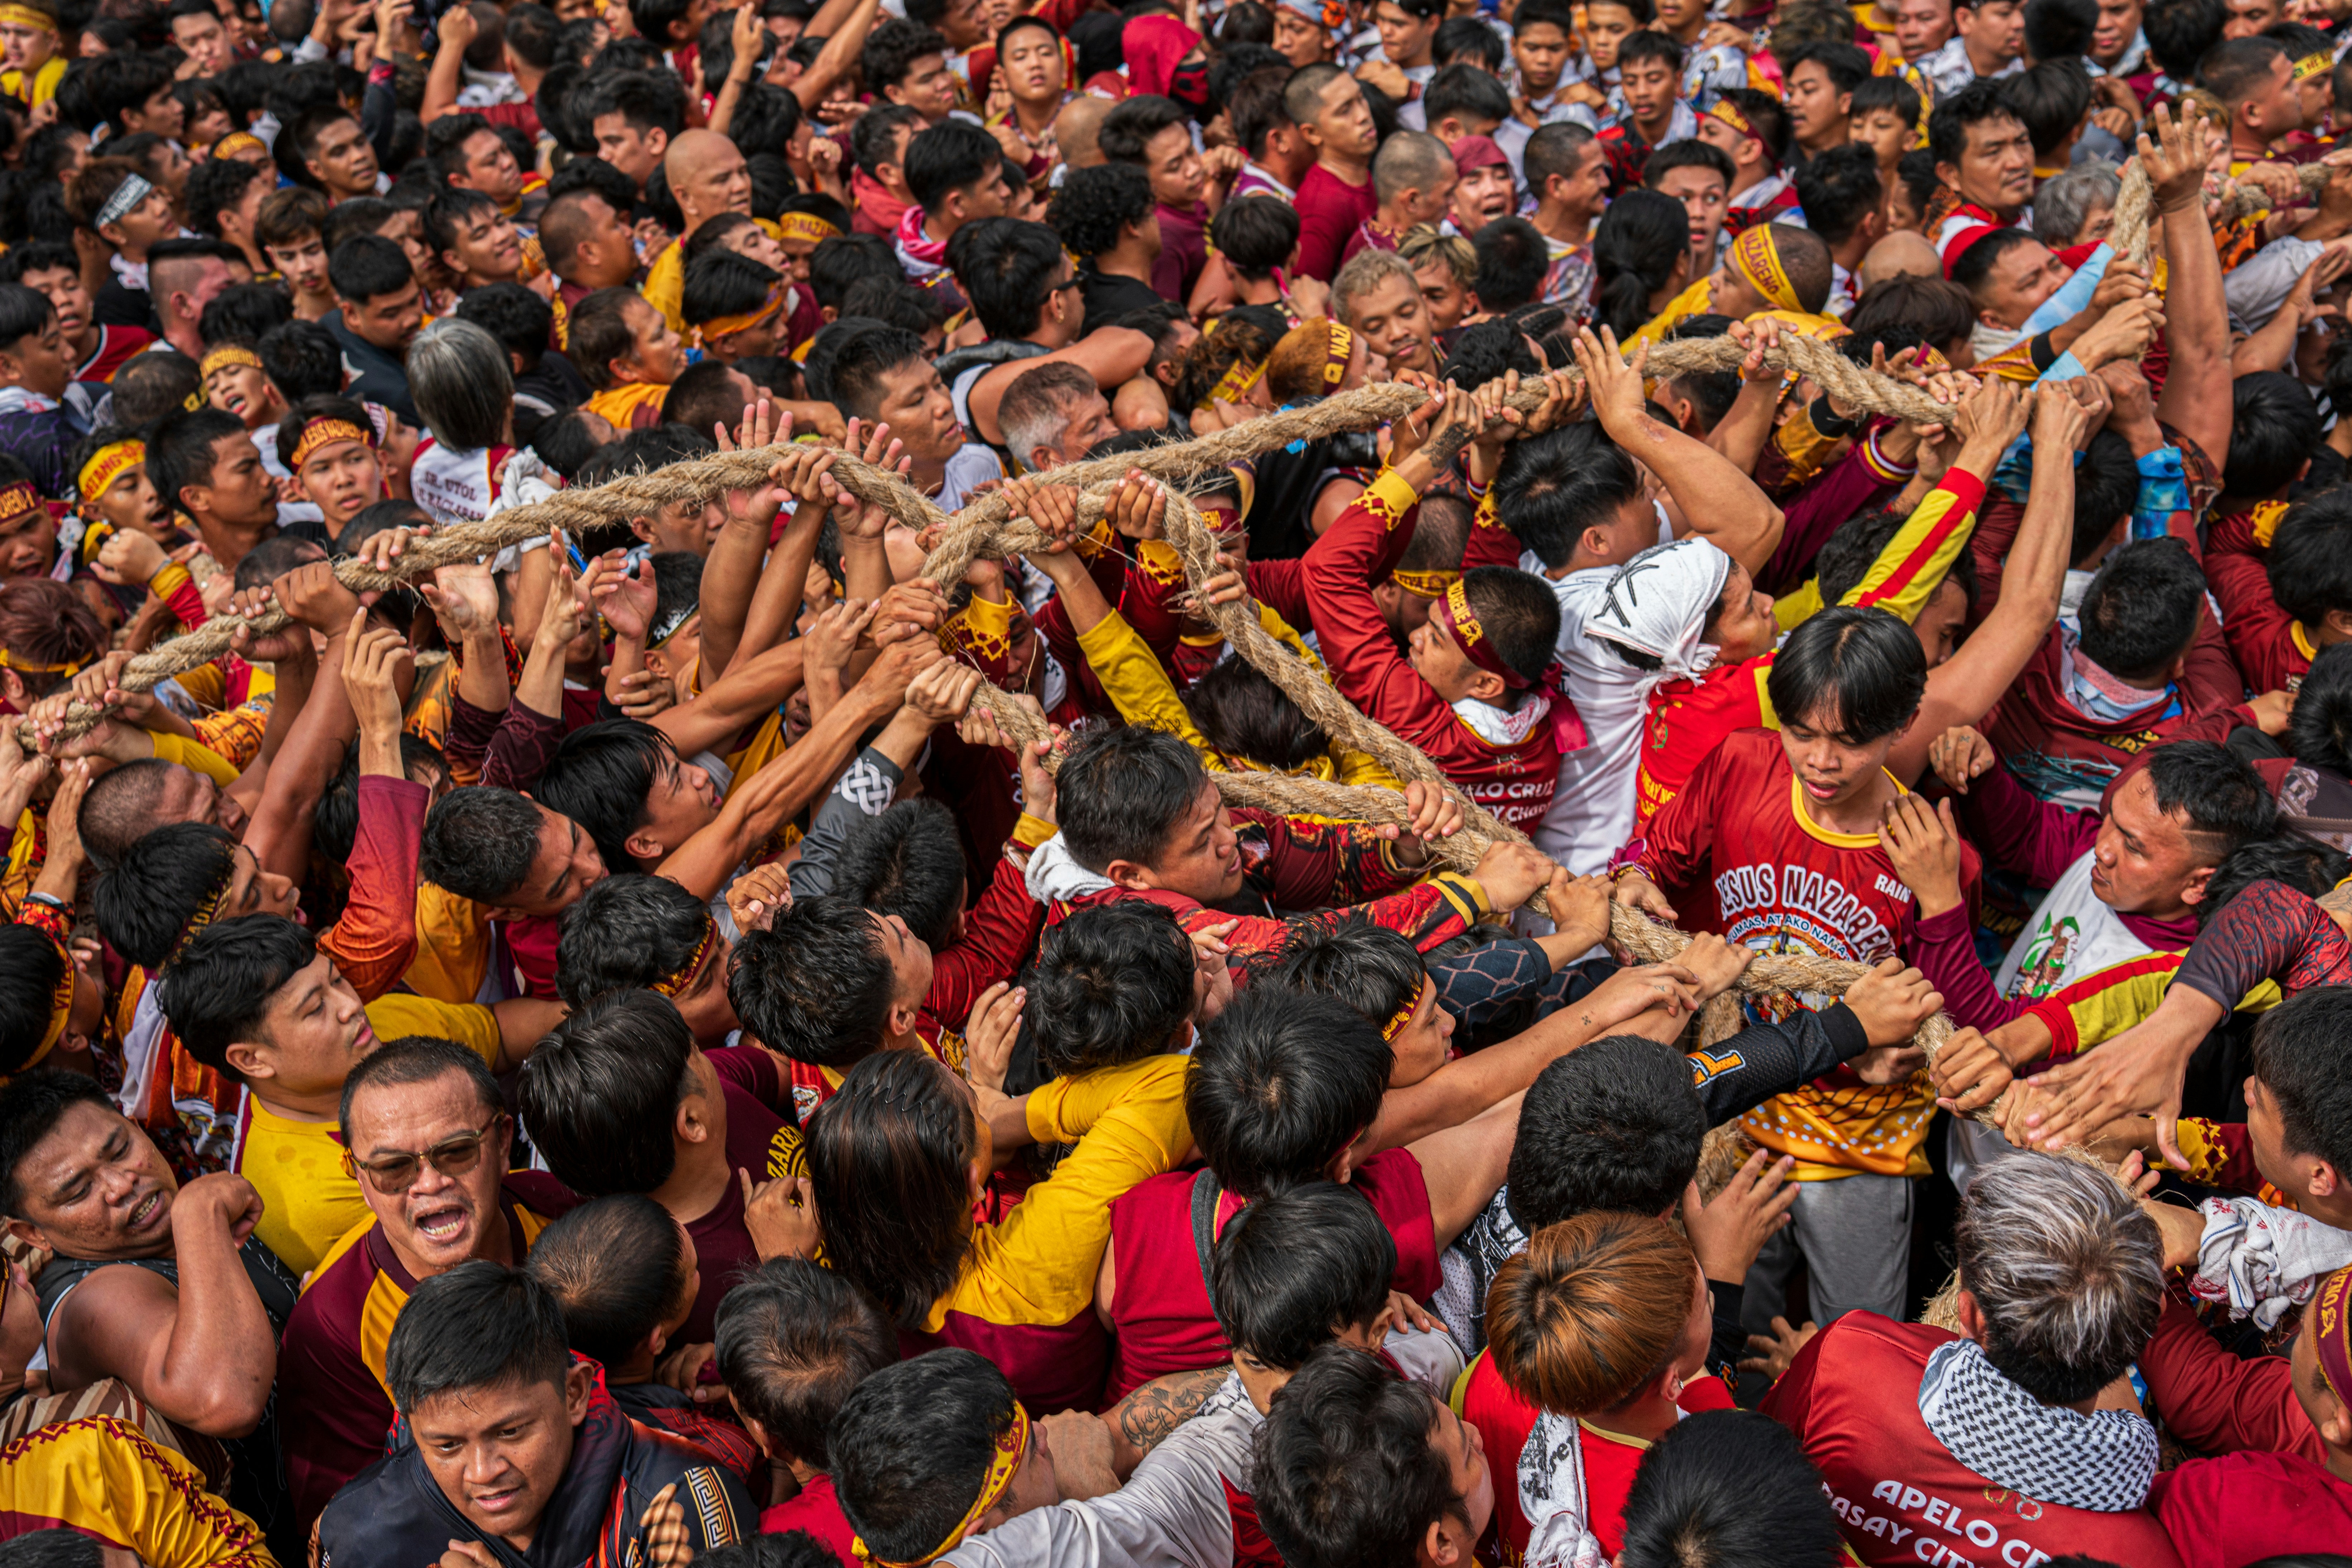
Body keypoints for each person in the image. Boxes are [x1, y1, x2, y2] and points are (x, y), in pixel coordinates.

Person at [1762, 1155, 2182, 1565]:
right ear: (2153, 1317)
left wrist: (1808, 1373)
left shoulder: (1847, 1362)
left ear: (1970, 1317)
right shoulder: (2139, 1554)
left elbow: (1758, 1470)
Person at [277, 1036, 568, 1526]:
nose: (429, 1183)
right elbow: (345, 1518)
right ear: (357, 1175)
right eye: (393, 1167)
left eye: (455, 1152)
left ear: (501, 1142)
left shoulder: (559, 1211)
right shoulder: (335, 1319)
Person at [313, 1261, 752, 1568]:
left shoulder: (674, 1505)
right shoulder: (360, 1529)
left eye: (510, 1432)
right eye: (448, 1445)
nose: (483, 1472)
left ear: (575, 1393)